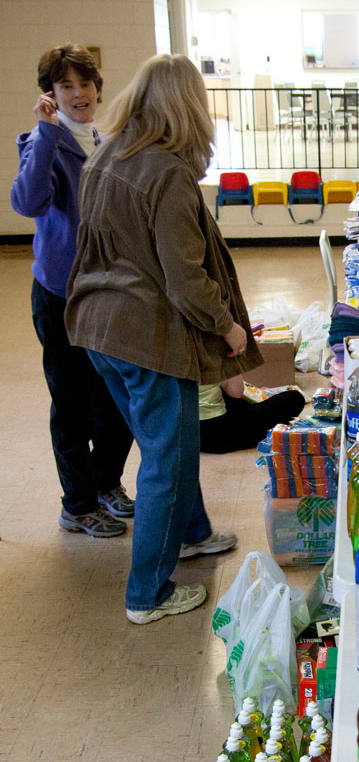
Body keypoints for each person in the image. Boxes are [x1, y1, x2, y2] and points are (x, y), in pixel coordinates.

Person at [65, 54, 264, 624]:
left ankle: (193, 533)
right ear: (188, 107)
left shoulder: (108, 154)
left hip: (98, 327)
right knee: (167, 462)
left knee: (165, 446)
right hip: (147, 339)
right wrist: (228, 328)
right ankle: (147, 594)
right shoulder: (169, 172)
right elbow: (187, 281)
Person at [10, 44, 134, 537]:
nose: (78, 93)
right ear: (50, 94)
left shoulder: (106, 139)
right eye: (66, 86)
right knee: (72, 403)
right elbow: (28, 200)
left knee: (115, 395)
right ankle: (78, 504)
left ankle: (106, 484)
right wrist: (46, 132)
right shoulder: (41, 141)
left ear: (97, 89)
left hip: (108, 290)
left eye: (85, 84)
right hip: (61, 293)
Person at [199, 377, 305, 454]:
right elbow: (236, 393)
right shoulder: (214, 351)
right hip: (215, 434)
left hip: (187, 433)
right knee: (295, 398)